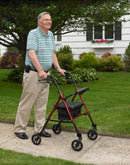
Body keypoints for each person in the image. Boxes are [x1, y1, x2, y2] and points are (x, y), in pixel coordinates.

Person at [14, 12, 65, 139]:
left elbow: (52, 53)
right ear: (39, 22)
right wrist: (40, 70)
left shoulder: (51, 34)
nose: (49, 22)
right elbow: (31, 53)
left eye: (50, 20)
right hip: (33, 74)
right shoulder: (33, 34)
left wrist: (57, 67)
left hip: (46, 74)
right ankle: (19, 129)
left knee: (42, 104)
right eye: (46, 20)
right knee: (27, 102)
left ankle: (40, 129)